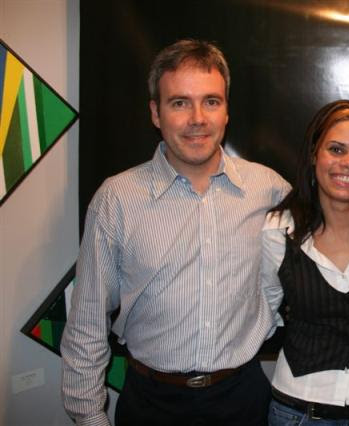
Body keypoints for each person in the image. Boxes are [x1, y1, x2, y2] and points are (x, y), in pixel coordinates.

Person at [60, 39, 290, 426]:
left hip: (244, 400)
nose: (197, 118)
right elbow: (87, 323)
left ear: (226, 110)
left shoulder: (269, 189)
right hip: (150, 405)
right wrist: (89, 417)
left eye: (211, 101)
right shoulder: (116, 199)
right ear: (156, 113)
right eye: (180, 102)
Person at [260, 100, 349, 425]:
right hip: (298, 412)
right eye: (337, 149)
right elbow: (265, 314)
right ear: (314, 154)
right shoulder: (277, 229)